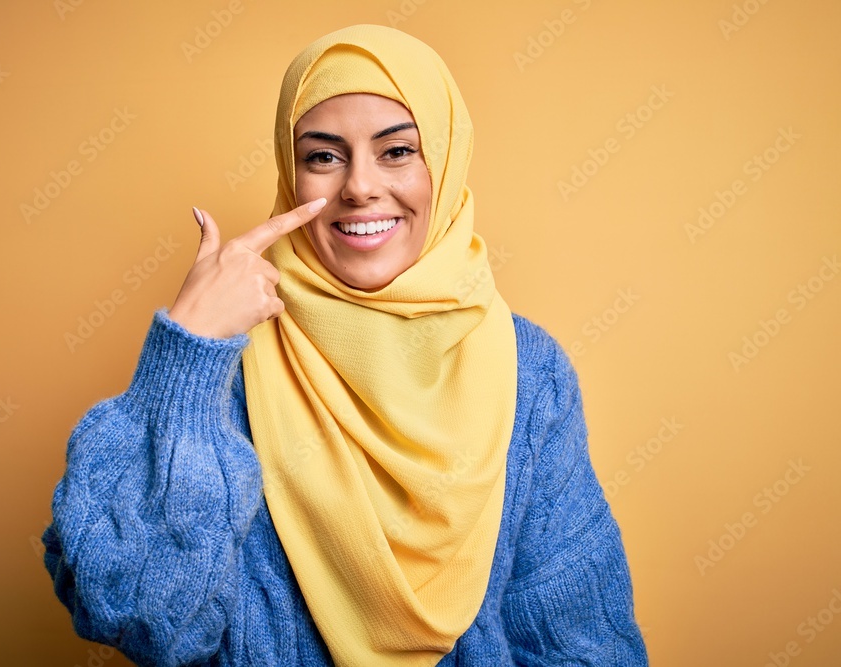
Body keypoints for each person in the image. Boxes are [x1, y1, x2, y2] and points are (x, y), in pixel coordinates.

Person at [41, 23, 649, 667]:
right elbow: (135, 613)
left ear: (443, 164)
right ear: (289, 172)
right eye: (324, 156)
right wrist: (188, 348)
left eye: (396, 152)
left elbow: (583, 642)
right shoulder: (223, 364)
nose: (358, 186)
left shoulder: (529, 369)